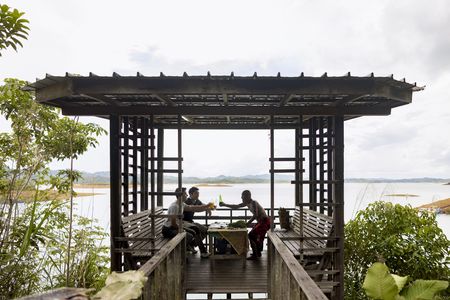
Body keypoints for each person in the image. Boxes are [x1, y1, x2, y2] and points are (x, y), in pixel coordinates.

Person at [162, 187, 212, 258]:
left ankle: (202, 252)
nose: (187, 195)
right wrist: (183, 229)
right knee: (190, 235)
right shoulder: (174, 206)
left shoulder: (181, 204)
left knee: (195, 230)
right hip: (168, 229)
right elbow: (173, 224)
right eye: (185, 194)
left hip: (176, 225)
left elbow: (192, 207)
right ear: (180, 195)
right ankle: (182, 254)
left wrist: (207, 206)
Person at [219, 190, 270, 260]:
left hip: (264, 222)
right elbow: (236, 206)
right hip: (261, 222)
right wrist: (225, 204)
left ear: (247, 197)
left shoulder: (253, 203)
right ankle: (258, 252)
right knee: (255, 236)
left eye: (242, 197)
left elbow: (256, 215)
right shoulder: (247, 203)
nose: (241, 198)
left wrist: (248, 223)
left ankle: (255, 255)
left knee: (251, 235)